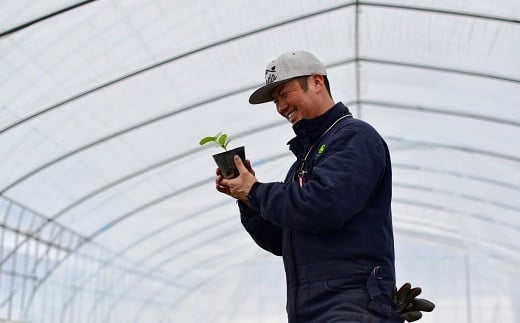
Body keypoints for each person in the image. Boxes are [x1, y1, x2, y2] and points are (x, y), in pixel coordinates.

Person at [216, 50, 412, 322]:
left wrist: (256, 191)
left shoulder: (355, 138)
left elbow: (323, 205)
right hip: (310, 313)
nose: (281, 107)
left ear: (317, 82)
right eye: (275, 101)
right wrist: (248, 199)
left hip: (350, 308)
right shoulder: (302, 164)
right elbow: (284, 239)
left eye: (285, 94)